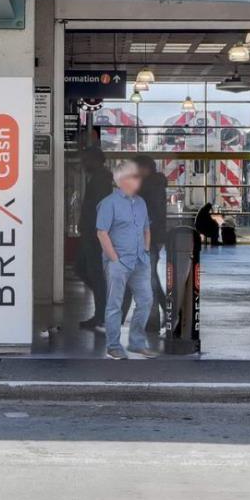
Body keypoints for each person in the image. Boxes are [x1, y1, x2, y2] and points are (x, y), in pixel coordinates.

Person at [95, 160, 158, 359]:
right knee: (115, 305)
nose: (138, 180)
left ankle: (136, 343)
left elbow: (146, 229)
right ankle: (113, 346)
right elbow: (101, 233)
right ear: (121, 180)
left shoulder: (141, 203)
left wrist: (146, 252)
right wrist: (114, 259)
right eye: (134, 176)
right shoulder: (108, 203)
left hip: (140, 261)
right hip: (119, 263)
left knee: (146, 301)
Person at [77, 146, 114, 331]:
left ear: (95, 160)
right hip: (93, 233)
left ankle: (102, 311)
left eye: (86, 160)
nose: (83, 163)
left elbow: (99, 208)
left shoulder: (100, 179)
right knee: (86, 270)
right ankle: (102, 308)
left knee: (92, 272)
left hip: (95, 235)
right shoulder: (99, 178)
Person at [133, 155, 168, 334]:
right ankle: (169, 312)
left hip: (148, 238)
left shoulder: (149, 187)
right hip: (153, 237)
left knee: (149, 280)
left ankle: (152, 321)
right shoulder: (155, 185)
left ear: (146, 168)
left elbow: (150, 214)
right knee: (151, 277)